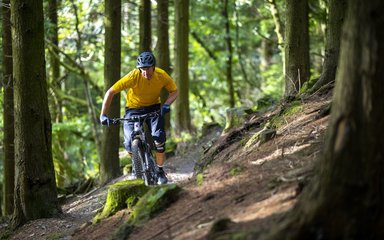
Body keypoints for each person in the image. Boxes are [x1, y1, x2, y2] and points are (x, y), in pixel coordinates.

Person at [100, 51, 179, 184]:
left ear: (153, 67)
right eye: (142, 69)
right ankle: (137, 163)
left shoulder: (161, 75)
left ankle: (160, 170)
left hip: (154, 107)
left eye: (148, 69)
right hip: (133, 110)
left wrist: (166, 105)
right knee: (128, 143)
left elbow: (175, 91)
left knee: (159, 139)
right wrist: (103, 114)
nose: (145, 72)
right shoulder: (133, 76)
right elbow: (111, 92)